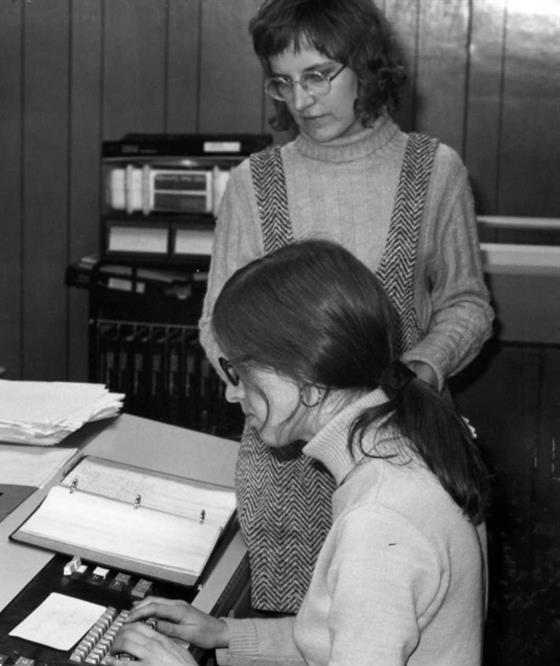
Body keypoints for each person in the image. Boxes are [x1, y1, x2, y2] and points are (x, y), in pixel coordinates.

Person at [197, 0, 494, 614]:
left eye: (317, 76)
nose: (299, 100)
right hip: (285, 465)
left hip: (401, 449)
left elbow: (468, 305)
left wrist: (417, 373)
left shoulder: (434, 171)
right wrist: (262, 391)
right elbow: (216, 325)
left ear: (365, 68)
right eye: (282, 81)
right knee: (288, 640)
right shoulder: (255, 182)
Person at [107, 239, 488, 666]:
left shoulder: (381, 519)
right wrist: (222, 634)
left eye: (240, 372)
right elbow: (355, 639)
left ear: (306, 380)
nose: (232, 394)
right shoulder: (403, 449)